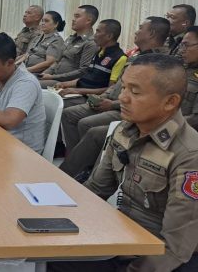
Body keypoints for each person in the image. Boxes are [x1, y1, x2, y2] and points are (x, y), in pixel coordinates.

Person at [49, 53, 198, 272]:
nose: (123, 98)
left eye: (135, 92)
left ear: (170, 102)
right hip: (123, 239)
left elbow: (176, 246)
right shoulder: (124, 131)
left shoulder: (189, 154)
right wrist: (54, 223)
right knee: (46, 258)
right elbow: (95, 190)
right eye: (124, 88)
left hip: (160, 258)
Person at [61, 16, 170, 157]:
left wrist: (112, 104)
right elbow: (118, 84)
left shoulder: (159, 63)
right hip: (109, 100)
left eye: (140, 28)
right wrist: (101, 98)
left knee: (86, 124)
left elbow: (145, 98)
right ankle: (74, 155)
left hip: (124, 108)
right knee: (69, 114)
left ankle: (82, 161)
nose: (136, 32)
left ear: (152, 34)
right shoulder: (135, 56)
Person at [54, 19, 127, 103]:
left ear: (109, 36)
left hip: (93, 98)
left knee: (57, 104)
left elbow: (111, 89)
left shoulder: (120, 58)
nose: (95, 35)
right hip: (81, 91)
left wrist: (77, 91)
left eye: (98, 31)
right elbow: (86, 78)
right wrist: (64, 84)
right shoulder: (99, 52)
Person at [39, 5, 99, 86]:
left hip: (67, 83)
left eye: (77, 16)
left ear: (88, 20)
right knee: (30, 80)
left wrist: (52, 77)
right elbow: (57, 62)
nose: (73, 19)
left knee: (32, 85)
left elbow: (83, 71)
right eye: (74, 16)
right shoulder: (70, 39)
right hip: (53, 77)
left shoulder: (91, 43)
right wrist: (44, 74)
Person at [16, 10, 65, 74]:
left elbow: (49, 63)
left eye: (46, 21)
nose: (42, 23)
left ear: (56, 24)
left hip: (38, 73)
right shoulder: (38, 37)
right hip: (25, 69)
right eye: (42, 21)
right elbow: (27, 54)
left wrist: (26, 70)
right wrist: (15, 65)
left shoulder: (56, 40)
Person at [179, 26, 198, 130]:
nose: (182, 50)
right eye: (181, 45)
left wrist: (167, 125)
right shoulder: (180, 69)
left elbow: (196, 119)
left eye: (186, 45)